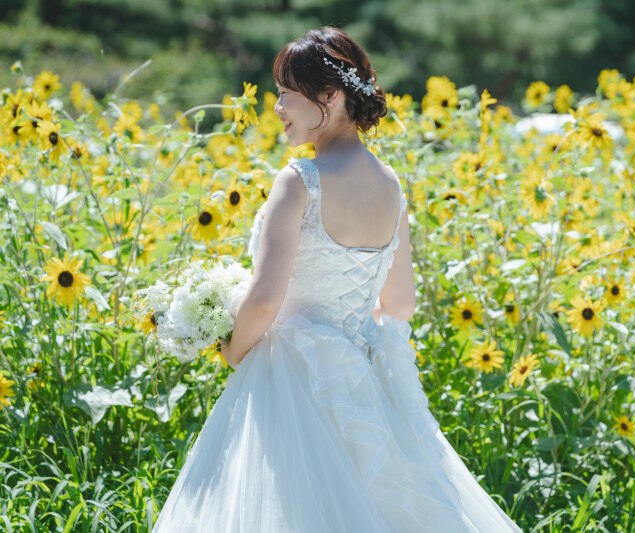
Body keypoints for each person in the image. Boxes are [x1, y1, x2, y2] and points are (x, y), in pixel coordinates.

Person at [152, 26, 524, 533]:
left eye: (286, 93)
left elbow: (264, 299)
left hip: (289, 377)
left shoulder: (299, 181)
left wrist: (234, 350)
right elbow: (400, 304)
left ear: (330, 95)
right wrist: (344, 332)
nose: (277, 107)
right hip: (362, 377)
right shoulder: (391, 185)